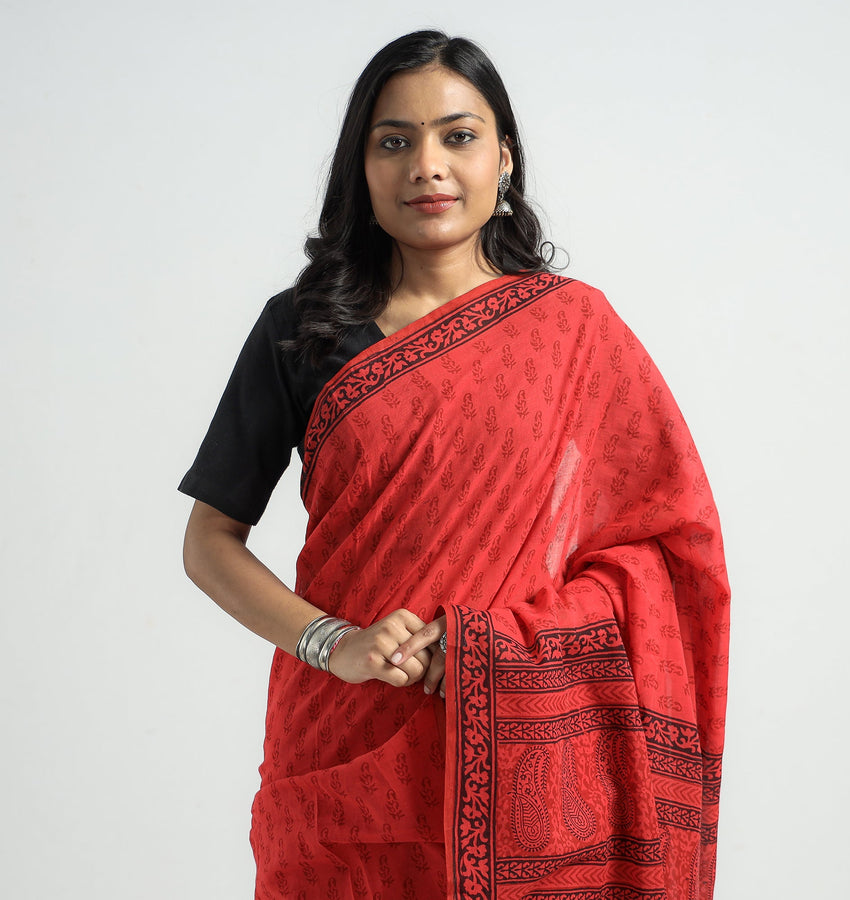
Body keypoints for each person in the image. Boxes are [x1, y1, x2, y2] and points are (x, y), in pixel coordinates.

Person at [179, 29, 730, 900]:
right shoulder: (301, 328)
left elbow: (662, 547)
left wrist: (487, 649)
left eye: (458, 137)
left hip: (525, 746)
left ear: (503, 158)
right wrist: (334, 644)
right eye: (394, 141)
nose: (426, 166)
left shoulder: (575, 331)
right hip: (340, 730)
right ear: (361, 167)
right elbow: (209, 540)